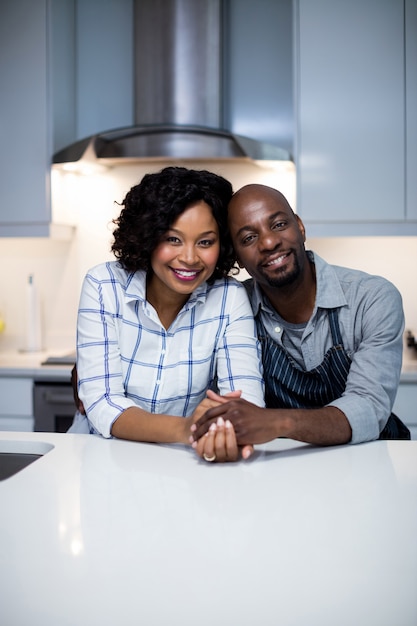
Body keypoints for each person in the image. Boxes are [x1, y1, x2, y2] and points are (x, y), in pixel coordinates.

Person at [191, 183, 410, 456]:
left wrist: (278, 422)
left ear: (300, 227)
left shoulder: (372, 298)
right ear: (237, 255)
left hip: (370, 458)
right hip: (282, 466)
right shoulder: (233, 308)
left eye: (280, 224)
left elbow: (368, 407)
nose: (269, 242)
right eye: (248, 238)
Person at [69, 167, 265, 462]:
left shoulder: (229, 298)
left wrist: (228, 431)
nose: (188, 257)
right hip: (102, 458)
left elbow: (245, 402)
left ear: (221, 244)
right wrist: (188, 428)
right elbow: (102, 403)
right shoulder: (104, 285)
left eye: (205, 242)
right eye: (173, 239)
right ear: (148, 236)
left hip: (183, 462)